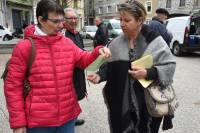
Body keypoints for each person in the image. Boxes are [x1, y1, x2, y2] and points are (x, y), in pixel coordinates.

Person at [3, 0, 110, 133]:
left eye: (62, 20)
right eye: (56, 21)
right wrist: (18, 122)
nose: (61, 25)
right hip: (39, 121)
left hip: (67, 117)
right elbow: (13, 86)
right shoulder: (24, 47)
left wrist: (97, 51)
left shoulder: (66, 43)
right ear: (41, 20)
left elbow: (83, 59)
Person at [87, 1, 176, 133]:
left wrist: (147, 72)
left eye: (127, 20)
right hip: (121, 102)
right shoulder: (116, 43)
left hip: (148, 106)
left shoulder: (153, 40)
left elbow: (169, 65)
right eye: (120, 19)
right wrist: (99, 75)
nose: (122, 24)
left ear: (140, 20)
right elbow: (109, 67)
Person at [63, 8, 86, 126]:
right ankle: (68, 121)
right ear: (64, 20)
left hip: (78, 72)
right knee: (68, 97)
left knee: (76, 95)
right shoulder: (62, 35)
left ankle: (73, 117)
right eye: (70, 18)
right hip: (67, 73)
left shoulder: (78, 35)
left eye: (75, 18)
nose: (73, 21)